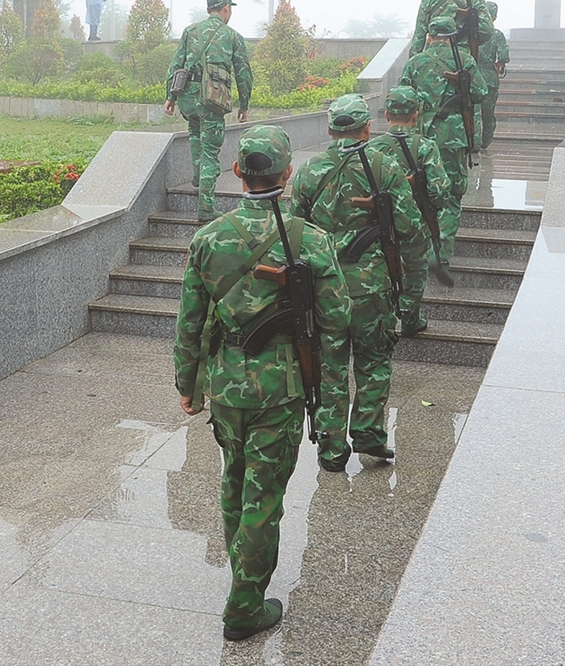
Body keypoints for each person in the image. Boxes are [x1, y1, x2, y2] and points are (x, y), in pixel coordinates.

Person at [174, 124, 353, 642]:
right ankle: (244, 605)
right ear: (288, 173)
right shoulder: (311, 239)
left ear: (236, 172)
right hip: (281, 389)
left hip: (227, 385)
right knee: (264, 495)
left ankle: (242, 574)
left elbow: (189, 322)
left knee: (235, 477)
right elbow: (339, 316)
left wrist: (187, 382)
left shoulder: (208, 239)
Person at [291, 93, 428, 471]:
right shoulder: (383, 166)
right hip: (371, 288)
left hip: (323, 288)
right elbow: (411, 226)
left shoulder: (308, 171)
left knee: (329, 367)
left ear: (331, 129)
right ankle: (368, 434)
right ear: (368, 128)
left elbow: (294, 233)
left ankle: (331, 448)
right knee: (374, 361)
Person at [399, 14, 486, 264]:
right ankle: (441, 252)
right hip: (453, 138)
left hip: (419, 138)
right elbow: (480, 93)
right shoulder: (465, 60)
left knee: (420, 191)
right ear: (452, 37)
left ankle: (419, 247)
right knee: (450, 196)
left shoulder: (415, 62)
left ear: (429, 36)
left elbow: (403, 99)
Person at [367, 85, 453, 335]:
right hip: (416, 221)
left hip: (380, 223)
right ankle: (410, 318)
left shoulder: (374, 149)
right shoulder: (426, 147)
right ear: (417, 114)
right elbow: (441, 189)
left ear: (386, 115)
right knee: (415, 270)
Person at [164, 0, 253, 220]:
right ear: (226, 9)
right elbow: (243, 73)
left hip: (188, 99)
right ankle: (205, 207)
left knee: (195, 135)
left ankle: (197, 174)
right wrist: (244, 104)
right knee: (211, 152)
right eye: (229, 9)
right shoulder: (232, 37)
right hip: (212, 99)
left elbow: (176, 65)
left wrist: (170, 97)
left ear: (207, 9)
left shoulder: (190, 31)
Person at [476, 0, 509, 149]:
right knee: (488, 113)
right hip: (489, 78)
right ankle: (485, 141)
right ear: (494, 17)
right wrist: (498, 64)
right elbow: (503, 55)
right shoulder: (496, 35)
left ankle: (473, 142)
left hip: (472, 77)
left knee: (473, 111)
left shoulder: (471, 34)